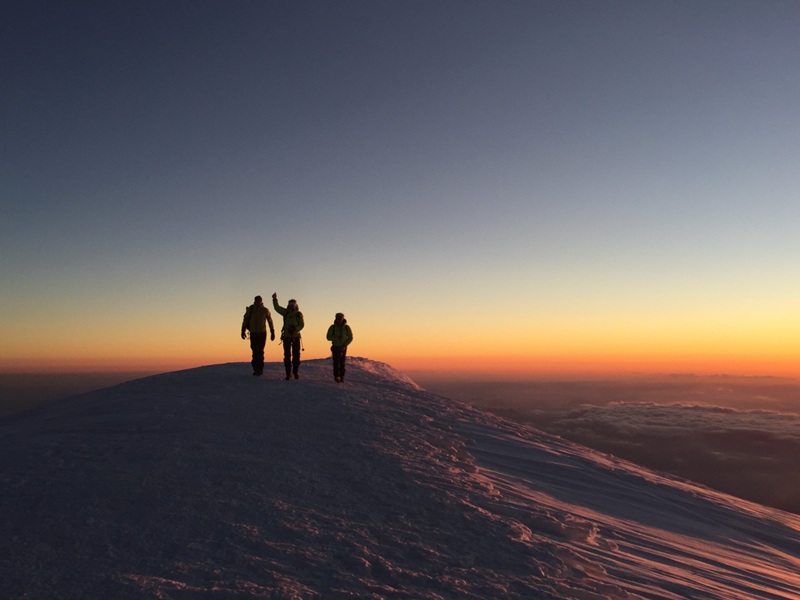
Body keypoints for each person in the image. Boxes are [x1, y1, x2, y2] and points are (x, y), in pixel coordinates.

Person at [272, 293, 304, 380]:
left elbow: (302, 325)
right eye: (290, 304)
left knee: (296, 356)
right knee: (287, 355)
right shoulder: (285, 312)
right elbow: (277, 308)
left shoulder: (298, 314)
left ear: (296, 305)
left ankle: (295, 372)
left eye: (293, 304)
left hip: (295, 337)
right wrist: (275, 299)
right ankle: (288, 373)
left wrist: (294, 329)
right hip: (286, 336)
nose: (291, 306)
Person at [241, 295, 275, 376]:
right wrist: (242, 330)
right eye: (256, 300)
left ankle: (259, 369)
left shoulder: (264, 310)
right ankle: (256, 368)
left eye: (259, 300)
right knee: (254, 350)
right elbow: (245, 319)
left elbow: (270, 321)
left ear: (261, 301)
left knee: (260, 351)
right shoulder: (251, 309)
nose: (257, 301)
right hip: (253, 333)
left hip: (262, 333)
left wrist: (272, 331)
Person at [326, 313, 353, 382]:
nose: (339, 320)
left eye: (340, 318)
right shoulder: (333, 327)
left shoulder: (347, 327)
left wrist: (345, 344)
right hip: (335, 347)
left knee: (342, 362)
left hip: (343, 347)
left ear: (343, 318)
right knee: (336, 362)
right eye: (337, 318)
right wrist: (335, 338)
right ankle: (336, 376)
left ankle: (341, 376)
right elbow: (328, 337)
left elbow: (350, 337)